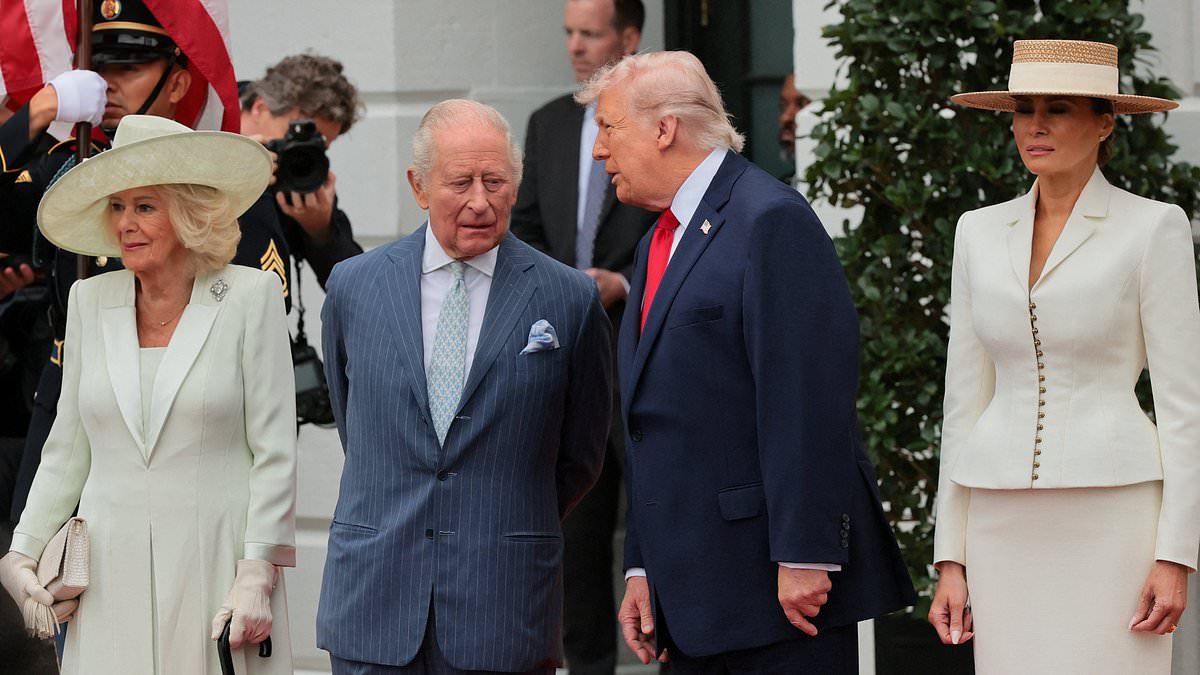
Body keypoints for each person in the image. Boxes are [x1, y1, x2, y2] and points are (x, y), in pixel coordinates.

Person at [578, 51, 915, 673]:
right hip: (690, 597)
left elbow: (807, 396)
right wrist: (643, 565)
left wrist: (807, 553)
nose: (599, 150)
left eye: (609, 127)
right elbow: (655, 423)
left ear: (664, 128)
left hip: (777, 594)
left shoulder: (770, 218)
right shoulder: (657, 240)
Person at [929, 39, 1199, 674]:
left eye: (1058, 109)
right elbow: (963, 401)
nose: (1035, 125)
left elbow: (1184, 406)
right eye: (1024, 109)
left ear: (1105, 124)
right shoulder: (976, 231)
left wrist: (1176, 554)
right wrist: (950, 559)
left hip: (1116, 515)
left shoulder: (1153, 228)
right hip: (998, 518)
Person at [316, 99, 612, 674]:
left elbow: (581, 456)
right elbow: (357, 426)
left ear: (515, 186)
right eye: (460, 183)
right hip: (373, 601)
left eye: (495, 181)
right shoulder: (354, 287)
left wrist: (498, 515)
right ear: (419, 186)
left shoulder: (569, 299)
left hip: (503, 604)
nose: (480, 201)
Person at [0, 115, 297, 674]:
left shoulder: (249, 296)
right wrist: (21, 551)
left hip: (217, 567)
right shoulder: (89, 301)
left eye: (145, 206)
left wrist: (258, 572)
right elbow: (67, 448)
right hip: (108, 576)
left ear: (187, 213)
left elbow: (275, 452)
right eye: (117, 206)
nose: (125, 224)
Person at [509, 2, 655, 673]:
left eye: (590, 34)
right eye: (569, 32)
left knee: (661, 524)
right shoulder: (549, 123)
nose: (575, 46)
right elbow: (526, 229)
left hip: (646, 349)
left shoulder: (661, 127)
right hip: (568, 360)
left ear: (629, 37)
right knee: (577, 543)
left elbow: (679, 229)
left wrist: (621, 283)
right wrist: (559, 294)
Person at [237, 53, 364, 294]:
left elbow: (358, 288)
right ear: (260, 108)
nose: (301, 153)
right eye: (295, 137)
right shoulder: (203, 123)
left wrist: (321, 231)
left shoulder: (300, 173)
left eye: (318, 146)